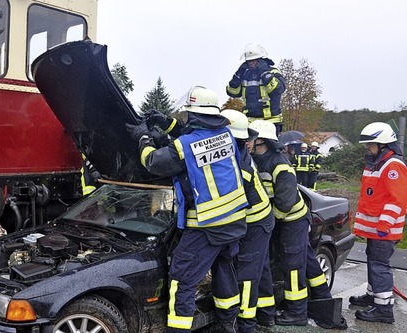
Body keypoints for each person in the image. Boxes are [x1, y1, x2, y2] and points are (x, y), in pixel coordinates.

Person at [127, 86, 248, 333]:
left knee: (181, 282)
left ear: (194, 115)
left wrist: (143, 138)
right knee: (224, 270)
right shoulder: (225, 135)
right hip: (234, 220)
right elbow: (195, 137)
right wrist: (167, 123)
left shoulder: (187, 144)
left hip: (207, 225)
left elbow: (153, 162)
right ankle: (227, 325)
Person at [248, 120, 310, 326]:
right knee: (271, 262)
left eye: (251, 138)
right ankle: (270, 310)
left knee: (292, 267)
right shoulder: (255, 160)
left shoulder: (280, 164)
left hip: (292, 220)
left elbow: (285, 202)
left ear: (261, 140)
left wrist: (268, 222)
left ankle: (298, 313)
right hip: (276, 220)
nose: (248, 142)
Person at [221, 109, 275, 333]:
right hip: (254, 222)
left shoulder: (239, 163)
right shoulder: (237, 153)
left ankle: (247, 324)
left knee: (247, 275)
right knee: (258, 267)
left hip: (257, 223)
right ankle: (267, 315)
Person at [348, 122, 407, 324]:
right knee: (373, 262)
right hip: (376, 228)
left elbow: (397, 199)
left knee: (379, 265)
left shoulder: (393, 166)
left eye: (370, 145)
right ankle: (374, 296)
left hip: (384, 229)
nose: (367, 148)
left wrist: (384, 225)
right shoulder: (377, 163)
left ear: (383, 145)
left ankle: (383, 309)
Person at [226, 43, 286, 135]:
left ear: (261, 60)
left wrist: (264, 74)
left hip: (271, 121)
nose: (251, 63)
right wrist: (237, 76)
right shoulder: (245, 75)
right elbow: (232, 92)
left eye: (254, 60)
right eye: (249, 61)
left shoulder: (273, 72)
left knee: (270, 149)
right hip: (250, 122)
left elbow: (277, 90)